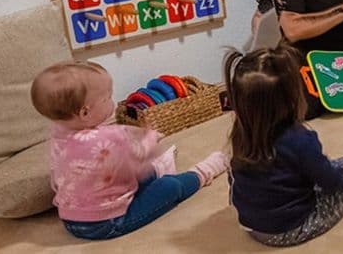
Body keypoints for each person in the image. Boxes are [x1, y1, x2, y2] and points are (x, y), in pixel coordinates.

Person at [223, 46, 343, 247]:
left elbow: (234, 180)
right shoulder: (299, 139)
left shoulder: (241, 134)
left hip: (254, 228)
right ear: (291, 97)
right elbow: (332, 182)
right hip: (291, 228)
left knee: (313, 168)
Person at [32, 60, 228, 240]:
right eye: (107, 98)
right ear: (85, 112)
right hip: (107, 223)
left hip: (70, 218)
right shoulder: (107, 139)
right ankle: (204, 172)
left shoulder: (60, 133)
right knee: (169, 186)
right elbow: (139, 157)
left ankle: (160, 171)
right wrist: (150, 139)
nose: (113, 101)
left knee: (146, 173)